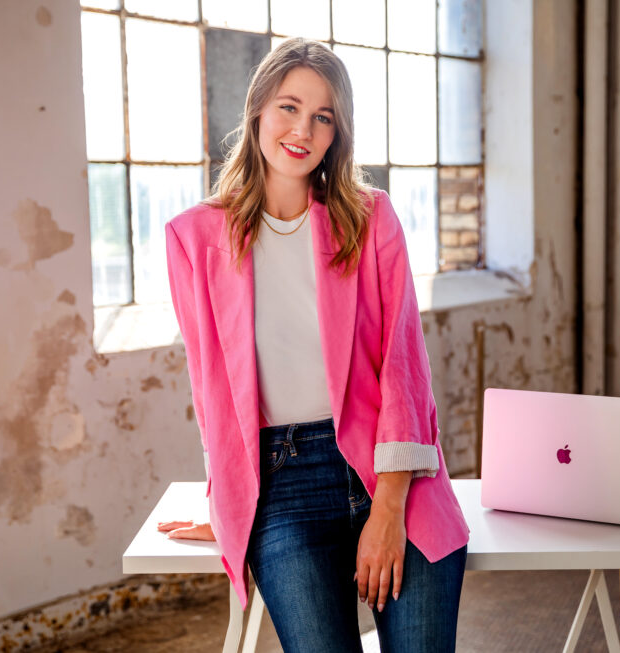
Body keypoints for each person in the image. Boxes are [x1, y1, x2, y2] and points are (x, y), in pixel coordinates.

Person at [157, 37, 470, 652]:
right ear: (257, 111)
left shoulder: (370, 218)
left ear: (337, 133)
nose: (303, 129)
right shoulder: (193, 240)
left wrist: (388, 508)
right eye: (289, 107)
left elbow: (404, 368)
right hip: (283, 484)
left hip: (390, 471)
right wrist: (231, 504)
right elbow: (214, 393)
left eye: (323, 116)